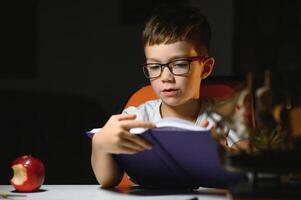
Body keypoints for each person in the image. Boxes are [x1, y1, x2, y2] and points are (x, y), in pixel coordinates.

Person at [91, 5, 248, 188]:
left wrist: (225, 154)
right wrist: (100, 145)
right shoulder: (136, 118)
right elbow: (108, 180)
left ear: (205, 68)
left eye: (180, 64)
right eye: (155, 67)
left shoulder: (225, 116)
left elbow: (248, 166)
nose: (166, 77)